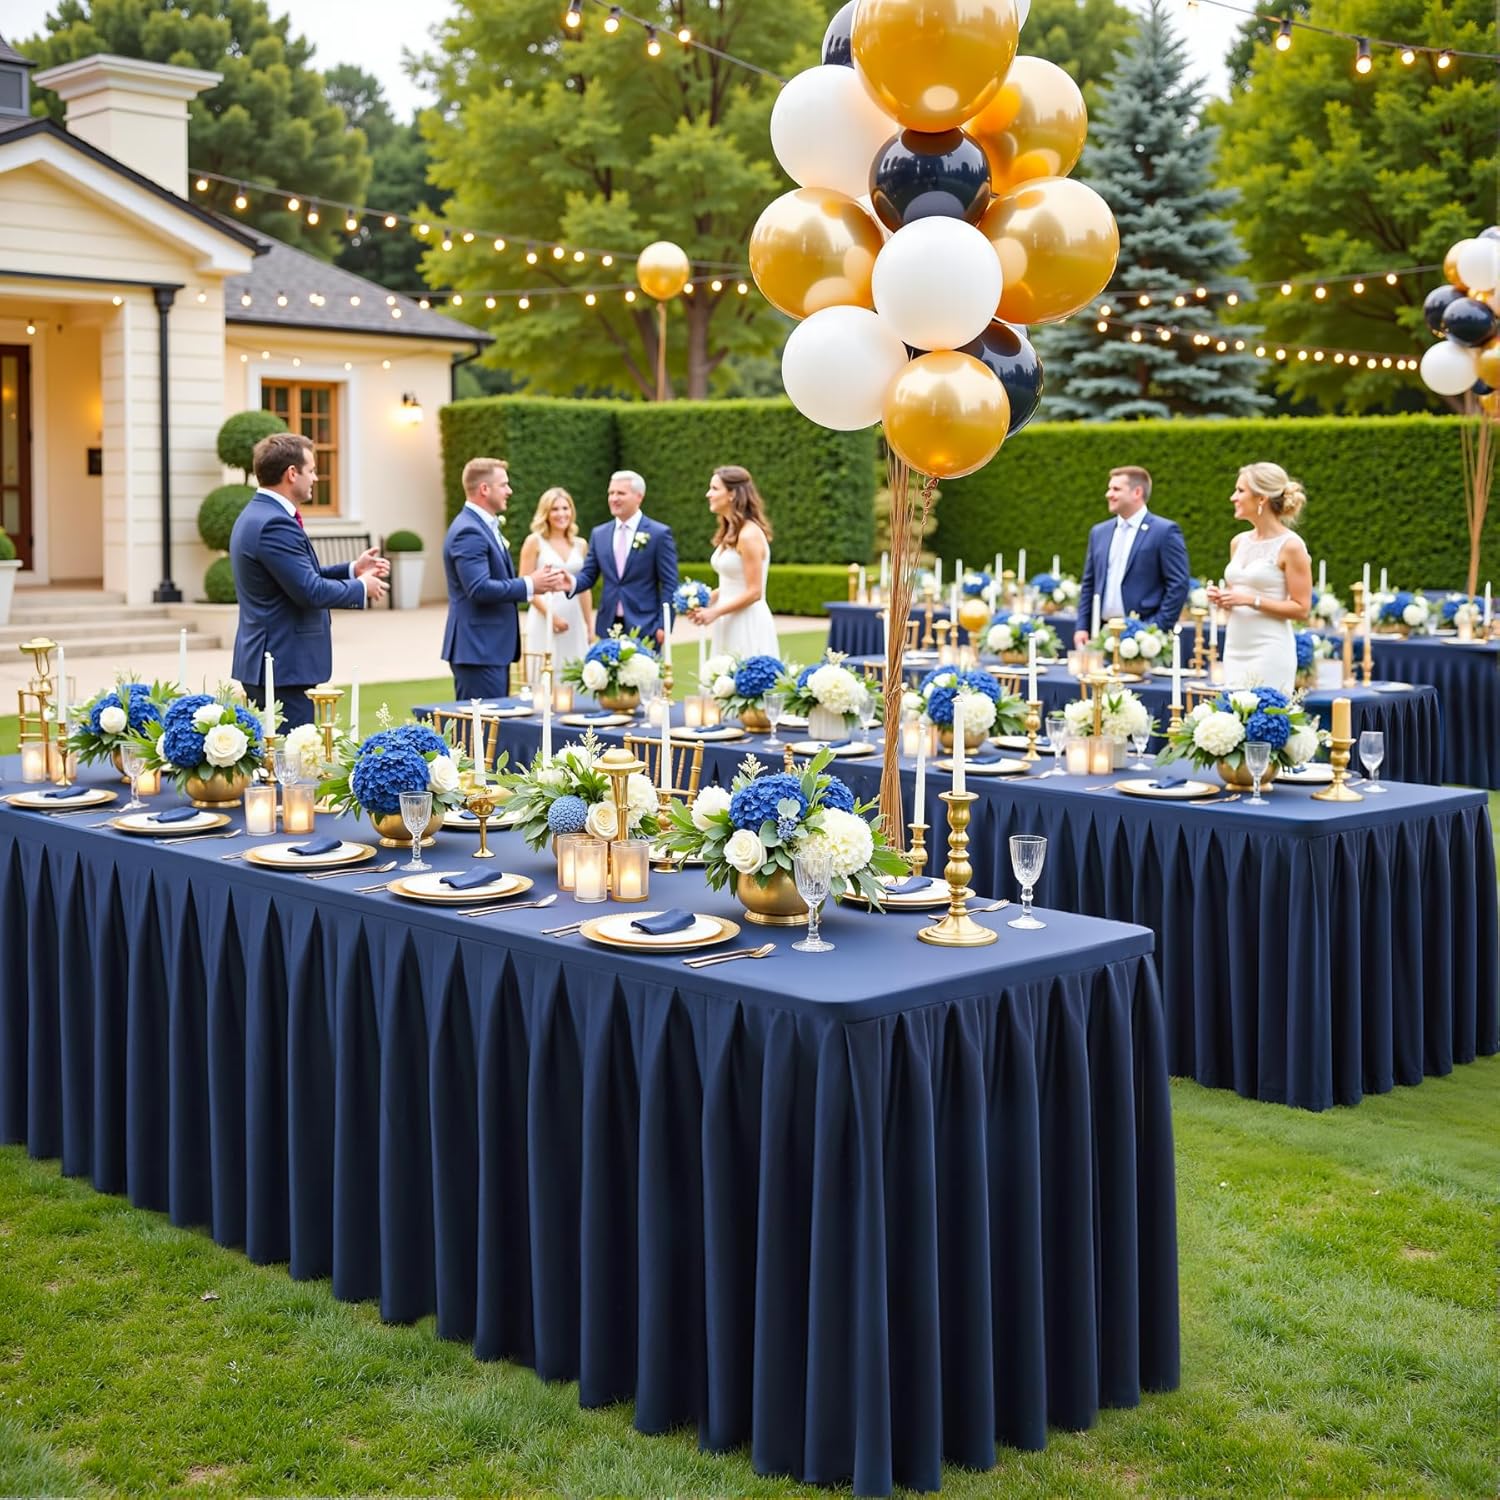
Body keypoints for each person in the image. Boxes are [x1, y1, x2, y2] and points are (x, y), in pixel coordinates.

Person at [229, 432, 388, 730]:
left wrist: (351, 570)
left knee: (282, 753)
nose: (315, 478)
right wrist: (361, 588)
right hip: (283, 666)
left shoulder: (259, 514)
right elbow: (310, 591)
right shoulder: (274, 523)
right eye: (312, 470)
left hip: (274, 663)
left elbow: (297, 579)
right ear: (292, 473)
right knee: (291, 756)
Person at [441, 456, 570, 700]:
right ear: (484, 489)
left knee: (494, 721)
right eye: (504, 485)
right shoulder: (469, 531)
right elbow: (479, 588)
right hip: (478, 649)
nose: (509, 491)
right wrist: (531, 583)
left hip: (489, 649)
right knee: (480, 723)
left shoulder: (482, 525)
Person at [1207, 462, 1312, 695]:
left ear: (1262, 498)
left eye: (1240, 491)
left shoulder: (1291, 546)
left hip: (1269, 649)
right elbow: (1236, 598)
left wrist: (1250, 600)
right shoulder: (1238, 542)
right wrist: (1223, 599)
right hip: (1235, 646)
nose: (1233, 497)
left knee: (1264, 713)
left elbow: (1302, 609)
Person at [1073, 466, 1191, 648]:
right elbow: (1089, 583)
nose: (1108, 494)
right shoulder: (1099, 532)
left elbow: (1178, 585)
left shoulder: (1164, 531)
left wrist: (1154, 630)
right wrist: (1082, 627)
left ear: (1137, 492)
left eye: (1116, 489)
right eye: (1109, 488)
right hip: (1101, 636)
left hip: (1144, 639)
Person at [566, 469, 679, 646]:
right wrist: (570, 583)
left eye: (620, 493)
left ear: (639, 497)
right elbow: (588, 575)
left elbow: (670, 583)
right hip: (608, 625)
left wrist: (664, 624)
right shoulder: (599, 534)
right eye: (611, 493)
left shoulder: (659, 534)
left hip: (646, 625)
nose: (613, 498)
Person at [688, 464, 780, 659]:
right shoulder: (730, 530)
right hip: (728, 619)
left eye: (714, 489)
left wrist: (715, 612)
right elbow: (734, 584)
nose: (708, 494)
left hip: (747, 622)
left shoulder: (749, 534)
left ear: (732, 494)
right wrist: (704, 599)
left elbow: (755, 592)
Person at [518, 486, 592, 667]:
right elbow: (525, 585)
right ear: (546, 513)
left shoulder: (580, 545)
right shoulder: (534, 542)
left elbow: (584, 589)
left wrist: (589, 625)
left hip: (574, 618)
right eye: (555, 509)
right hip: (544, 617)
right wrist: (552, 617)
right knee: (545, 671)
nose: (561, 514)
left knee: (575, 670)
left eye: (565, 508)